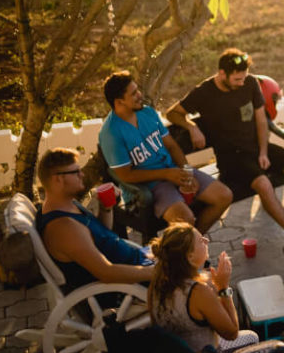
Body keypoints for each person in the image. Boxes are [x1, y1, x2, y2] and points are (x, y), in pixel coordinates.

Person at [166, 48, 284, 240]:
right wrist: (191, 126)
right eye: (237, 79)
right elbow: (172, 113)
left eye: (243, 78)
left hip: (256, 148)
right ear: (222, 73)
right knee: (264, 184)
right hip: (231, 158)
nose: (242, 83)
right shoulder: (204, 92)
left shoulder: (249, 83)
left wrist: (264, 152)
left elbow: (261, 120)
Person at [99, 71, 232, 233]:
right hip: (149, 188)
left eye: (137, 90)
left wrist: (187, 172)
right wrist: (167, 174)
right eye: (133, 93)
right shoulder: (111, 133)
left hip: (175, 172)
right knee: (186, 220)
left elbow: (172, 146)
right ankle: (187, 246)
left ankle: (192, 244)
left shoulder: (147, 112)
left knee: (224, 196)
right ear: (119, 102)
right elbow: (125, 175)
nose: (140, 95)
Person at [148, 223, 284, 353]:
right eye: (200, 241)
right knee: (279, 350)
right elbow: (232, 333)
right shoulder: (197, 292)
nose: (206, 240)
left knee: (251, 337)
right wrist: (223, 288)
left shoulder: (156, 282)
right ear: (190, 257)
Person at [35, 148, 154, 291]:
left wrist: (106, 208)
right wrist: (158, 271)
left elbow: (101, 236)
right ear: (58, 179)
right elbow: (106, 273)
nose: (82, 174)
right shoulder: (63, 228)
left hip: (141, 261)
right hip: (131, 286)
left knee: (183, 242)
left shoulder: (68, 204)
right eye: (76, 172)